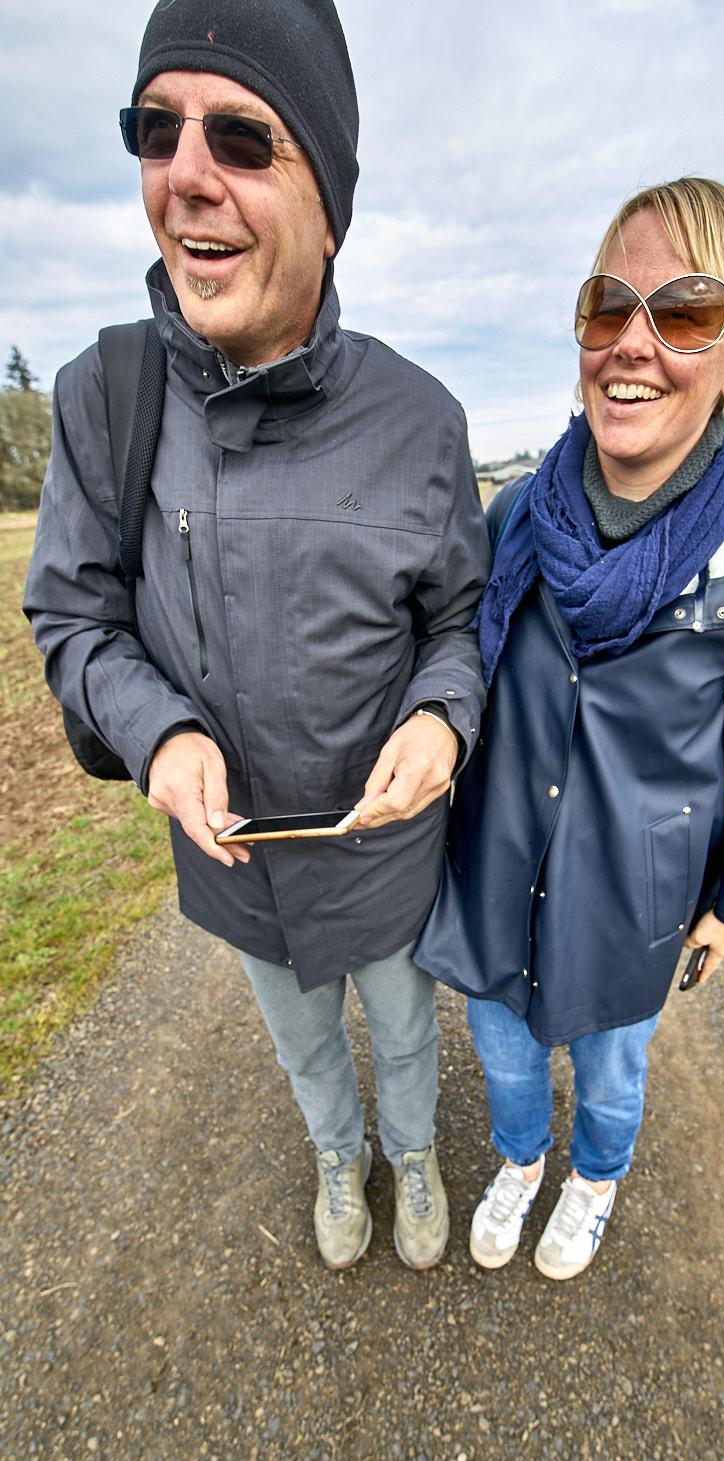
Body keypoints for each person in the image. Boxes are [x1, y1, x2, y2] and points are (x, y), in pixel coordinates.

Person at [24, 0, 489, 1273]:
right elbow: (72, 612)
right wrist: (157, 732)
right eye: (153, 128)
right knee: (301, 1042)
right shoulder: (101, 399)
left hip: (384, 861)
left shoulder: (422, 417)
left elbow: (462, 617)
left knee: (402, 1031)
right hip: (236, 868)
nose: (185, 174)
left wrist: (444, 721)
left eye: (240, 136)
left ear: (328, 206)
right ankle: (339, 1158)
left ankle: (409, 1157)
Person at [415, 177, 724, 1280]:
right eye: (607, 309)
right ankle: (518, 1158)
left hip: (636, 893)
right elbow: (449, 657)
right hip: (497, 860)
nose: (631, 345)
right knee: (503, 1053)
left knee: (609, 1070)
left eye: (683, 313)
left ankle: (593, 1179)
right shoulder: (514, 515)